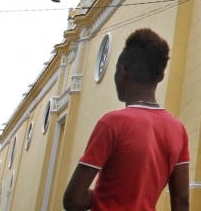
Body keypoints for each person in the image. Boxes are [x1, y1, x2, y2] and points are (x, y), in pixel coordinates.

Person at [62, 29, 190, 211]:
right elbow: (181, 202)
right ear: (160, 77)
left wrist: (107, 196)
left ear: (122, 72)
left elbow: (73, 200)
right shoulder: (178, 130)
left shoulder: (112, 123)